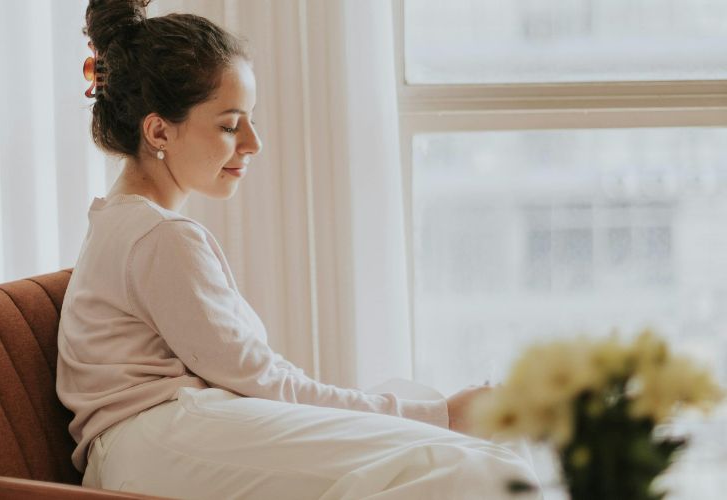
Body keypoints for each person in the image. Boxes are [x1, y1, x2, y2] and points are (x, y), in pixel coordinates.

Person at [56, 1, 541, 498]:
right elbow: (264, 382)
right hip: (163, 445)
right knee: (486, 468)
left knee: (472, 445)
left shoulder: (122, 222)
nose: (253, 143)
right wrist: (443, 417)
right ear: (158, 130)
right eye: (230, 125)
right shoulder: (159, 237)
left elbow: (258, 380)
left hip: (172, 437)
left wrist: (435, 414)